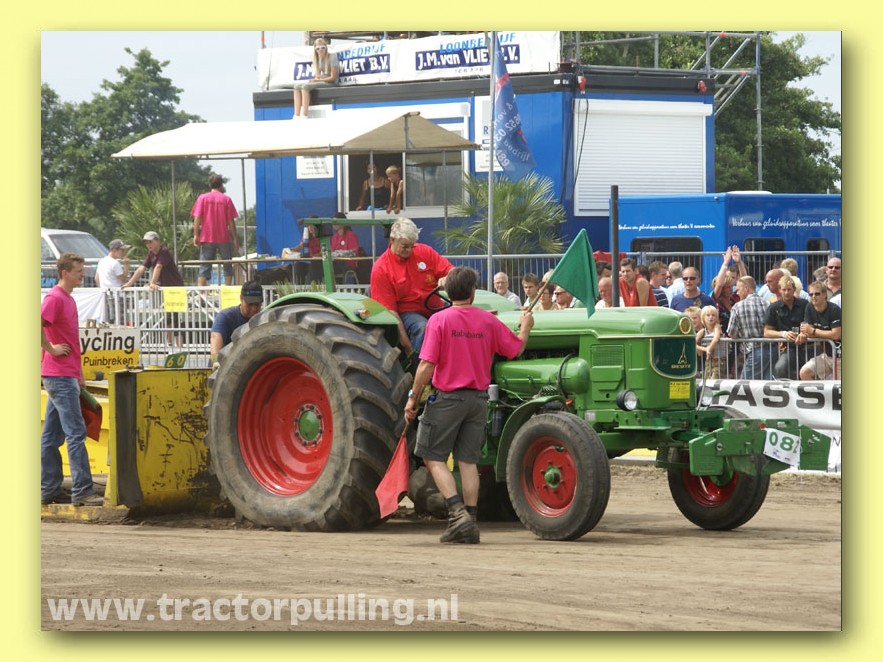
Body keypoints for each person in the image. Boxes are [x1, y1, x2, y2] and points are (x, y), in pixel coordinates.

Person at [404, 266, 533, 544]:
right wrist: (525, 327)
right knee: (468, 461)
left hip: (448, 399)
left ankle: (457, 514)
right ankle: (470, 523)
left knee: (432, 457)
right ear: (473, 292)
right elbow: (516, 349)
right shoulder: (487, 320)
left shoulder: (439, 320)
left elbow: (426, 365)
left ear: (448, 292)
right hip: (478, 400)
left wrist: (413, 398)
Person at [41, 253, 103, 507]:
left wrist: (78, 374)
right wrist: (52, 348)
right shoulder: (56, 298)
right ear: (65, 272)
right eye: (78, 271)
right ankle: (82, 491)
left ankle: (49, 489)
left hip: (63, 375)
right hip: (60, 375)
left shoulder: (66, 298)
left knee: (51, 437)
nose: (82, 274)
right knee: (76, 434)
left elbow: (70, 339)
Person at [369, 218, 453, 356]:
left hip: (435, 307)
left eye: (412, 246)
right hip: (408, 313)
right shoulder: (381, 269)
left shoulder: (425, 251)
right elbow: (391, 313)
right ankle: (421, 365)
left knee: (459, 321)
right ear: (392, 239)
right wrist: (407, 346)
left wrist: (448, 277)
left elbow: (452, 272)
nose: (409, 250)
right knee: (422, 328)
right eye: (405, 246)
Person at [123, 231, 186, 347]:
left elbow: (158, 267)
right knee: (168, 317)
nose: (148, 245)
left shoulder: (164, 251)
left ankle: (179, 346)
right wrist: (129, 283)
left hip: (176, 288)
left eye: (151, 242)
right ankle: (169, 344)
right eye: (147, 243)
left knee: (176, 318)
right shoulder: (151, 254)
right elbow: (142, 268)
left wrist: (152, 282)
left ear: (158, 241)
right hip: (166, 290)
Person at [191, 174, 240, 287]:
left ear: (210, 185)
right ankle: (227, 289)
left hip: (207, 237)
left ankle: (201, 291)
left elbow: (197, 218)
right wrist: (235, 239)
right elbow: (231, 222)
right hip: (223, 238)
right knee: (227, 264)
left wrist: (196, 235)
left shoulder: (202, 198)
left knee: (204, 266)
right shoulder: (226, 199)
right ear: (221, 185)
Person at [763, 274, 809, 380]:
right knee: (780, 368)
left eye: (789, 289)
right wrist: (783, 334)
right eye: (784, 290)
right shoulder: (774, 307)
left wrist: (804, 333)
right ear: (779, 290)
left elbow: (810, 323)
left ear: (794, 290)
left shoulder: (805, 304)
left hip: (808, 346)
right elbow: (766, 332)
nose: (786, 293)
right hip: (787, 348)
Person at [727, 276, 773, 380]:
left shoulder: (737, 307)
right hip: (772, 349)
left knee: (745, 385)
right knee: (767, 385)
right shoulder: (768, 303)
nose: (737, 293)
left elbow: (731, 333)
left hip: (754, 350)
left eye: (738, 290)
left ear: (746, 289)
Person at [209, 280, 264, 364]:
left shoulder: (263, 320)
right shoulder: (226, 316)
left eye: (257, 304)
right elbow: (215, 337)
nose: (253, 309)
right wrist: (215, 361)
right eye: (250, 304)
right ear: (241, 298)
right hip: (224, 364)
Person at [799, 280, 841, 380]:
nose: (813, 297)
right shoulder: (809, 307)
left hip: (840, 357)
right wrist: (803, 334)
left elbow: (836, 335)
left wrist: (813, 331)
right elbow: (807, 331)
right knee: (804, 372)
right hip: (826, 355)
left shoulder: (834, 309)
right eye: (811, 294)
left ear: (824, 294)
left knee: (840, 387)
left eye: (817, 294)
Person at [292, 37, 338, 118]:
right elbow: (318, 76)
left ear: (326, 48)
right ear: (315, 50)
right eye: (318, 48)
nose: (321, 50)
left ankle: (304, 115)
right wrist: (315, 79)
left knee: (305, 87)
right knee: (296, 87)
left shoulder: (332, 57)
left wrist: (317, 80)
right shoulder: (318, 59)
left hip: (331, 83)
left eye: (323, 47)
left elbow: (333, 78)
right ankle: (296, 115)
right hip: (323, 81)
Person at [696, 305, 727, 379]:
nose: (711, 317)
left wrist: (709, 348)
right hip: (708, 361)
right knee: (707, 380)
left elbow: (716, 338)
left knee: (714, 380)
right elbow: (692, 343)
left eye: (713, 315)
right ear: (703, 317)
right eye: (708, 315)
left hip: (719, 361)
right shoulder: (703, 331)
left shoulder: (717, 327)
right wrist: (705, 349)